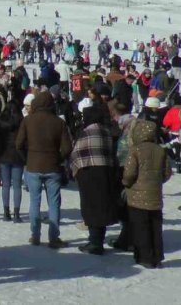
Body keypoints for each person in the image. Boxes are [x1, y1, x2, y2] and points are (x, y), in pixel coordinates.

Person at [16, 91, 72, 249]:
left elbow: (18, 145)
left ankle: (35, 235)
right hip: (52, 165)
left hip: (33, 165)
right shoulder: (58, 122)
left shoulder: (28, 121)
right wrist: (59, 158)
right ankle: (54, 237)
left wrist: (26, 159)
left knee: (35, 201)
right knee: (53, 203)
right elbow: (67, 148)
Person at [69, 104, 118, 254]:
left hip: (88, 172)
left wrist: (74, 170)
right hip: (105, 171)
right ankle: (98, 239)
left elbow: (76, 153)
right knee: (101, 206)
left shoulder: (85, 132)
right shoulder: (107, 131)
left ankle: (94, 242)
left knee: (90, 206)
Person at [122, 119, 172, 268]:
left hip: (137, 197)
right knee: (155, 227)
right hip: (155, 195)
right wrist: (157, 181)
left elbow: (129, 174)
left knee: (141, 227)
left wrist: (126, 183)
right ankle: (157, 255)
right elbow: (167, 173)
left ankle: (145, 257)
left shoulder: (135, 150)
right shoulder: (160, 150)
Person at [0, 99, 24, 222]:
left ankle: (6, 212)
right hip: (17, 155)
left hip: (4, 154)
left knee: (5, 185)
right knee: (17, 186)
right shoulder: (21, 121)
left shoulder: (0, 122)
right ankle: (16, 213)